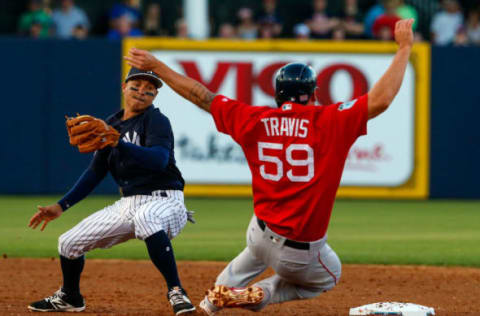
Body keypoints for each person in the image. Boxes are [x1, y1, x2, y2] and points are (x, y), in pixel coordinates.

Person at [124, 18, 414, 315]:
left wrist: (156, 65)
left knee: (255, 252)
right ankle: (260, 294)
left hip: (260, 232)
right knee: (328, 277)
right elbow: (381, 99)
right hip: (299, 252)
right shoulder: (330, 120)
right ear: (313, 94)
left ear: (277, 95)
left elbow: (200, 95)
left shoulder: (253, 119)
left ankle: (212, 302)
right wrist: (404, 48)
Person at [27, 68, 196, 315]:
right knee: (68, 243)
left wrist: (119, 143)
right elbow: (95, 172)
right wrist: (61, 206)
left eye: (149, 87)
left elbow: (159, 160)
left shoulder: (156, 120)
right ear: (124, 87)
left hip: (166, 201)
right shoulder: (111, 124)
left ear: (155, 95)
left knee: (146, 218)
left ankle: (177, 291)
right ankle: (70, 297)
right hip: (128, 203)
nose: (142, 91)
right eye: (136, 84)